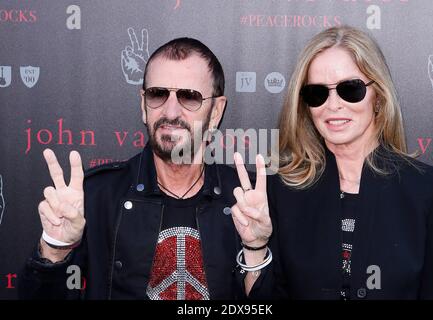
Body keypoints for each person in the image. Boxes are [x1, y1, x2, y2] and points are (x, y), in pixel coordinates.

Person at [19, 37, 262, 300]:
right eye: (158, 94)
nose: (170, 111)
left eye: (189, 97)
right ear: (143, 105)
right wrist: (55, 249)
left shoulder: (250, 201)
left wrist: (256, 248)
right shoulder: (95, 197)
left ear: (216, 112)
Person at [232, 25, 433, 299]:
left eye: (350, 89)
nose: (333, 105)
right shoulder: (280, 191)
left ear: (379, 96)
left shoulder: (432, 191)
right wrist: (256, 247)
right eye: (317, 93)